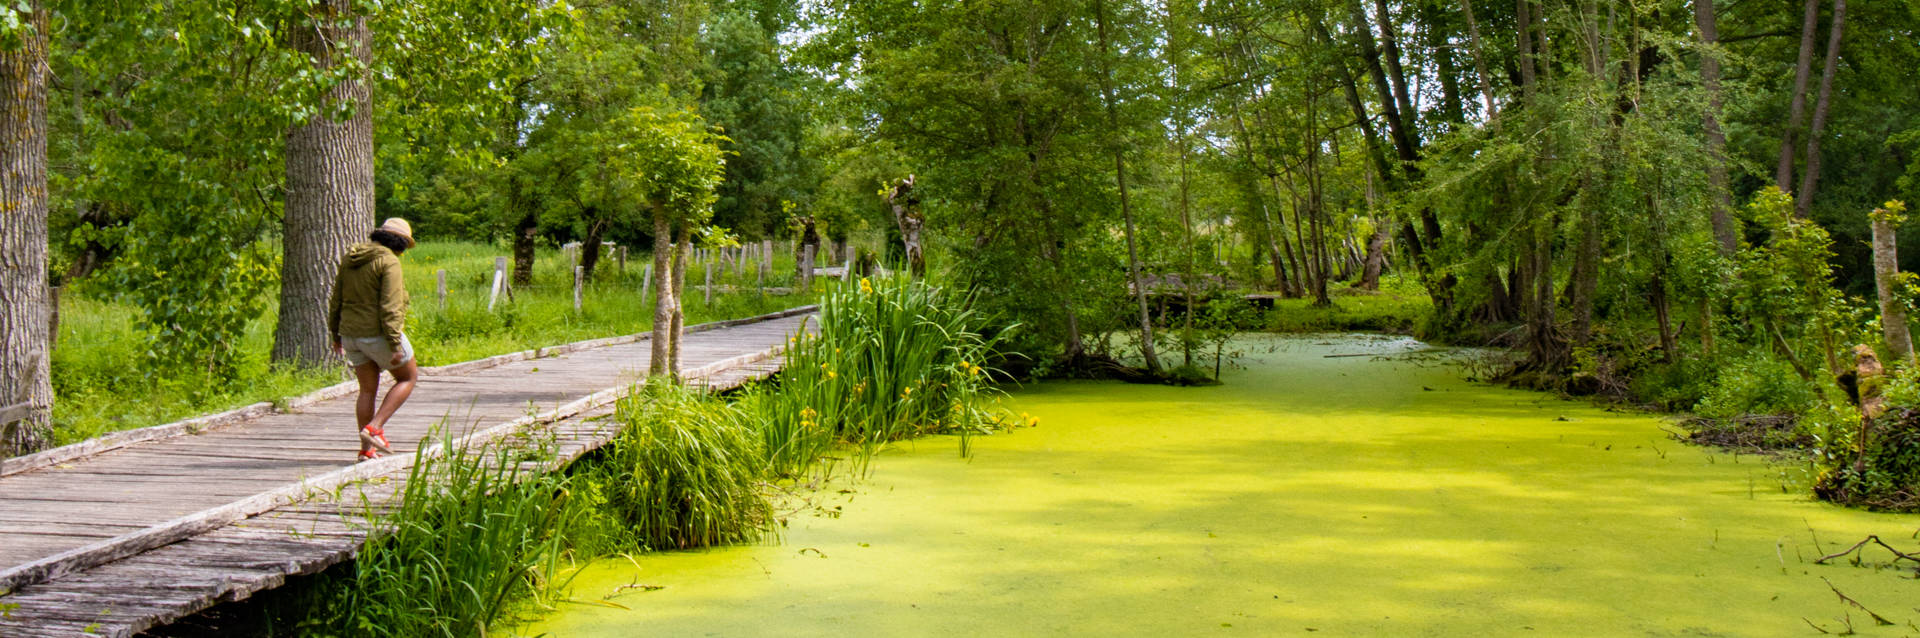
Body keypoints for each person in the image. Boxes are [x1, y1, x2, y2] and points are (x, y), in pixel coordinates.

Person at [328, 218, 418, 461]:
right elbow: (391, 307)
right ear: (399, 244)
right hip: (377, 334)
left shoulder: (350, 258)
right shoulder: (388, 262)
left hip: (350, 335)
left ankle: (367, 450)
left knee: (367, 390)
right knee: (407, 377)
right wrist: (394, 342)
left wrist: (336, 334)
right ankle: (374, 428)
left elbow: (336, 300)